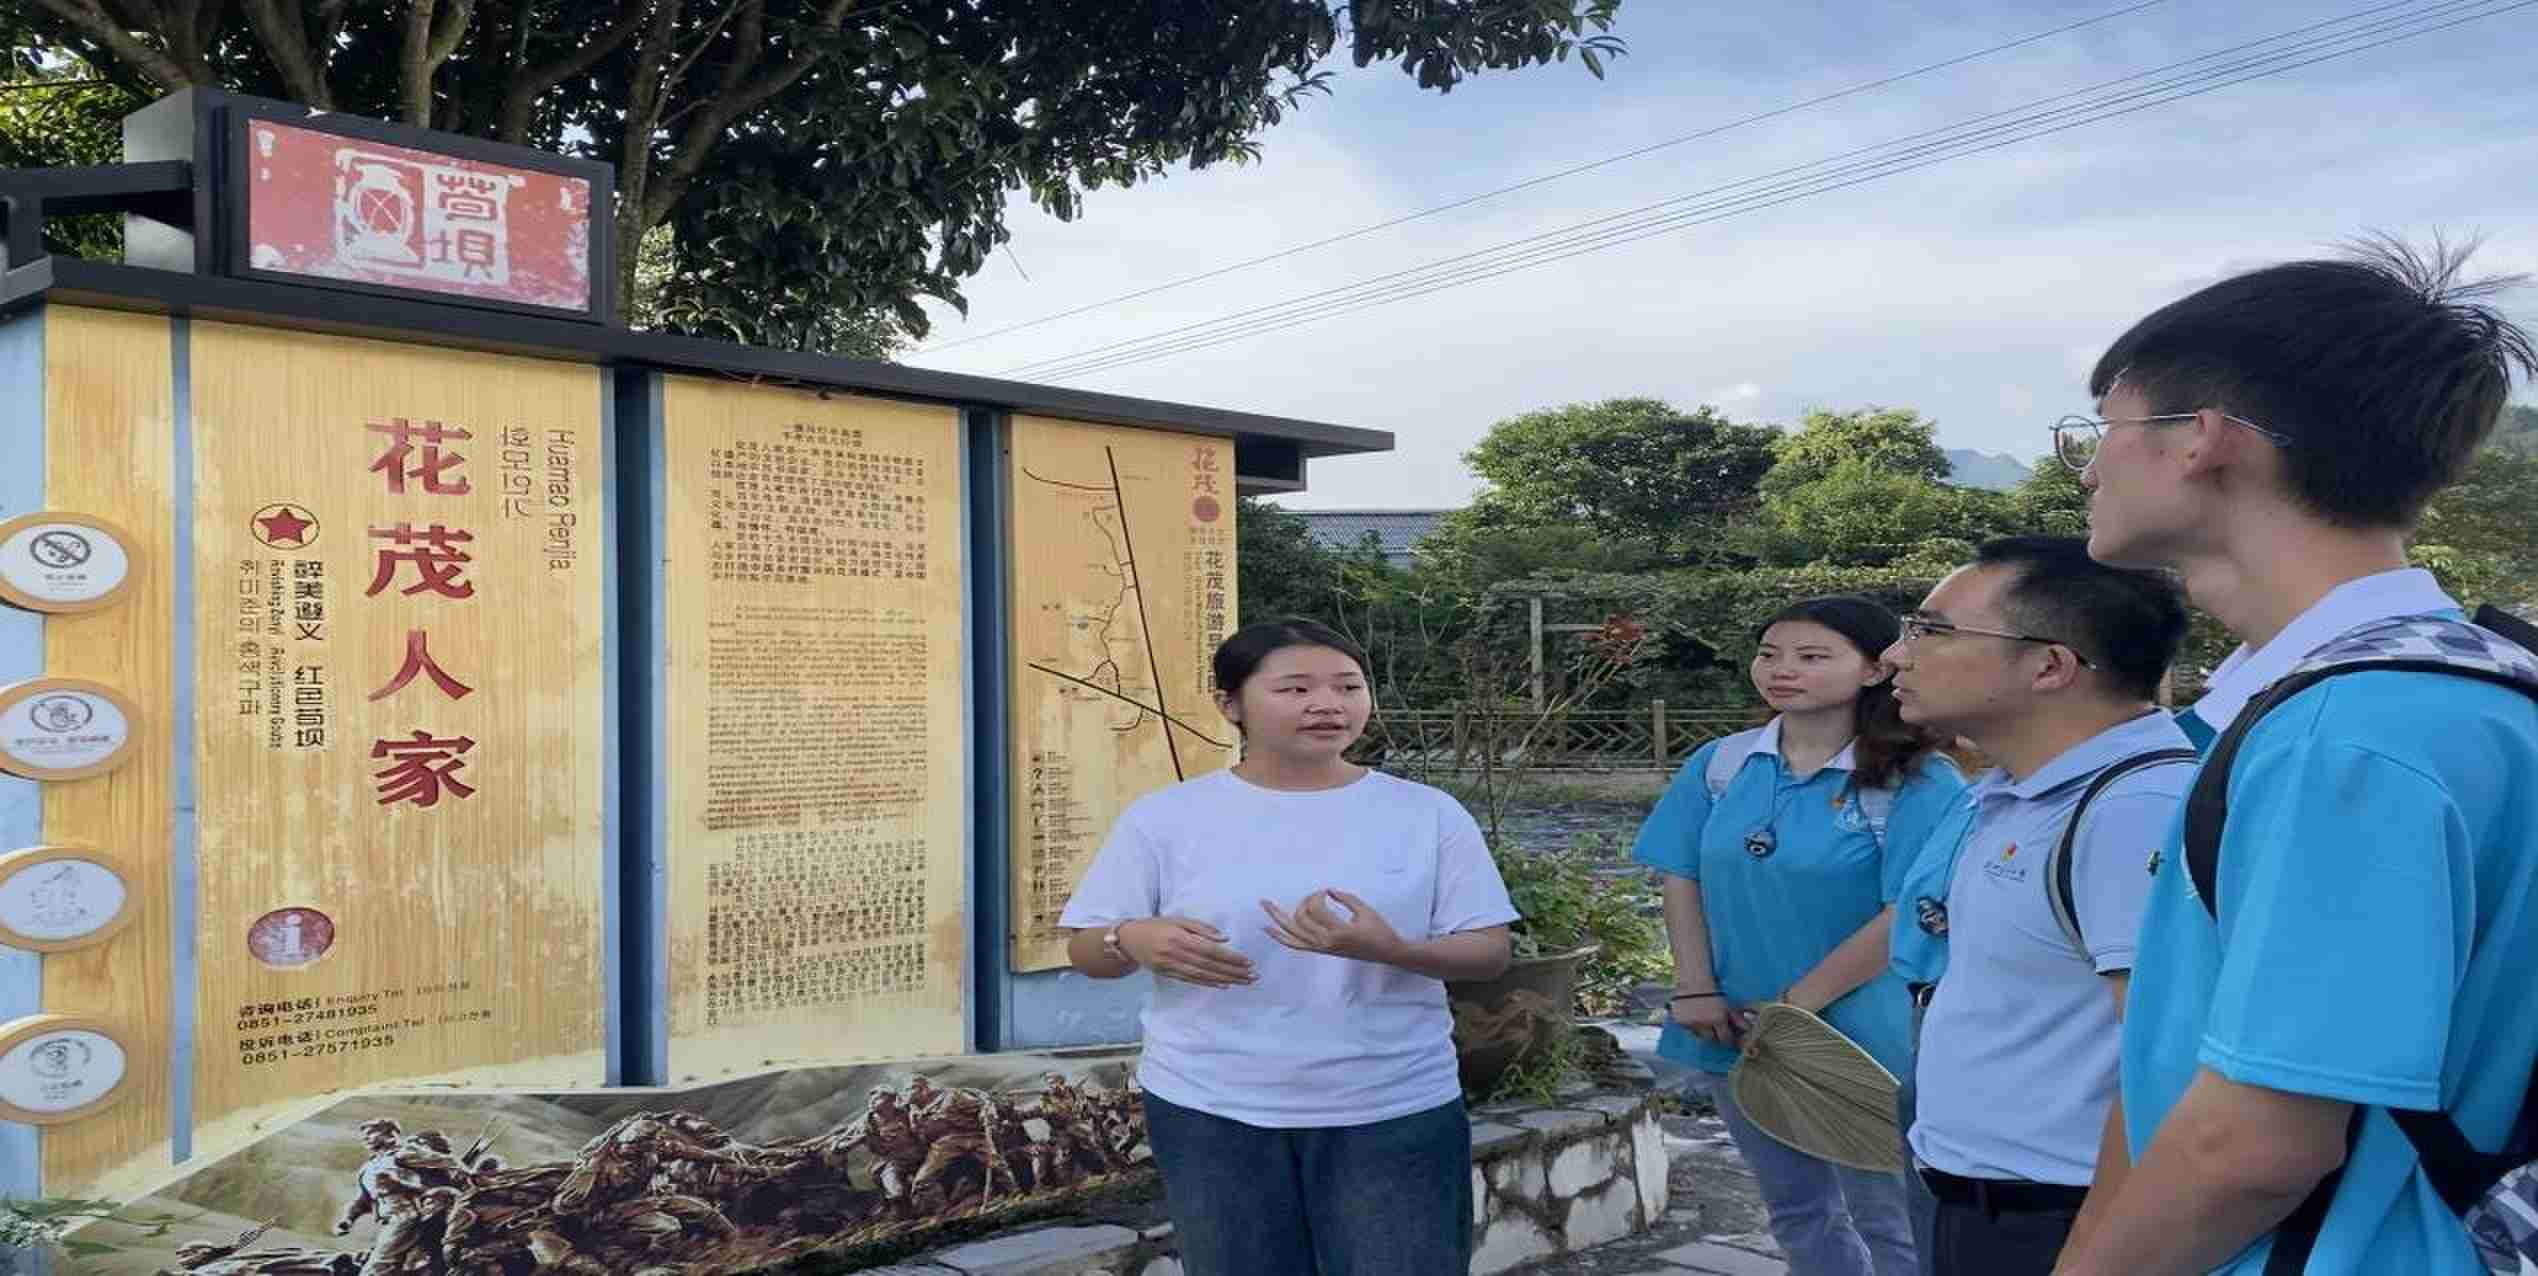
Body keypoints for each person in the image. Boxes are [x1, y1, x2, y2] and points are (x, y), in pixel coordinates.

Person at [2051, 238, 2538, 1275]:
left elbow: (2253, 1149)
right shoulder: (2471, 683)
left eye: (2102, 431)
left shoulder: (2347, 733)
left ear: (2202, 439)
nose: (2088, 469)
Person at [1059, 617, 1518, 1276]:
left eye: (1348, 686)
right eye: (1296, 689)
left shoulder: (1426, 814)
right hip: (1211, 1105)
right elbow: (1085, 951)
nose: (1328, 705)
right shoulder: (1167, 818)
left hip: (1391, 1102)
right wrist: (1131, 937)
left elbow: (1489, 951)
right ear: (1229, 704)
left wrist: (1392, 949)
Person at [1876, 536, 2194, 1274]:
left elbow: (2172, 1071)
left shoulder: (2135, 809)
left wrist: (2089, 1256)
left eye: (1930, 630)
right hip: (1978, 1202)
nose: (1894, 656)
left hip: (2060, 1224)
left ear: (2050, 666)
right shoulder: (2020, 791)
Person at [1634, 596, 1967, 1276]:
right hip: (1735, 1025)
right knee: (1795, 1211)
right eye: (1769, 653)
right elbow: (1680, 874)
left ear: (1875, 669)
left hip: (1867, 1038)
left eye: (1812, 656)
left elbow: (1909, 910)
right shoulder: (1721, 765)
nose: (1782, 670)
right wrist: (1694, 987)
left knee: (1894, 1221)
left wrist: (1793, 1008)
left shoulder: (1920, 779)